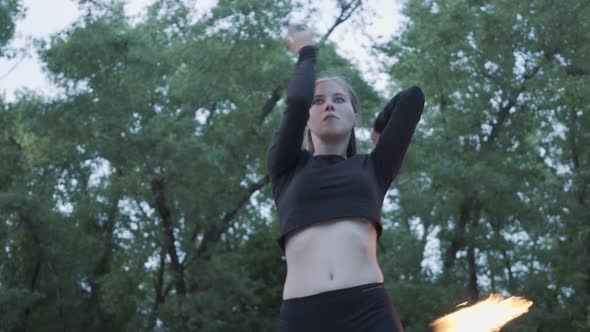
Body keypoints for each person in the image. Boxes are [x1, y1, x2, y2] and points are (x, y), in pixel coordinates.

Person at [266, 25, 425, 332]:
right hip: (303, 317)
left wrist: (380, 129)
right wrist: (306, 52)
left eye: (339, 100)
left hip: (368, 311)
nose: (328, 105)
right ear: (306, 119)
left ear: (355, 115)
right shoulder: (286, 166)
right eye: (319, 101)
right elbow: (296, 101)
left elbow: (412, 98)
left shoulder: (374, 167)